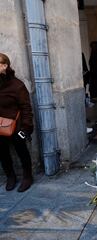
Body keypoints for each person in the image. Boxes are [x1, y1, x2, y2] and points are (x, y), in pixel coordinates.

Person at [0, 53, 34, 192]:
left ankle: (28, 177)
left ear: (4, 66)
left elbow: (26, 108)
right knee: (2, 153)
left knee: (22, 152)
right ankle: (10, 177)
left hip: (16, 126)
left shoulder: (17, 85)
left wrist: (25, 128)